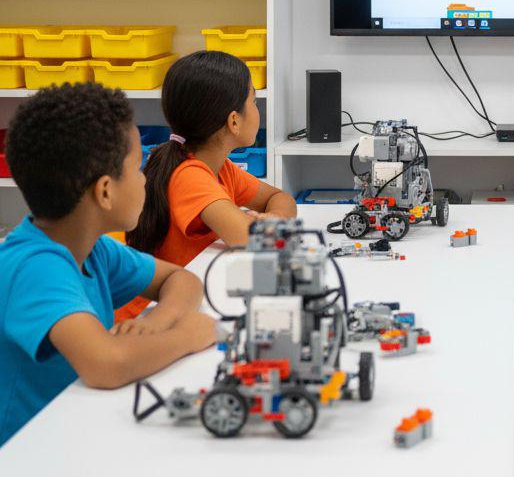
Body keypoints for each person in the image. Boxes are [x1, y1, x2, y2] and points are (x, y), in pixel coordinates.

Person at [0, 84, 215, 447]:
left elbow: (180, 279)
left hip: (75, 430)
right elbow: (107, 364)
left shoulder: (92, 249)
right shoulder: (35, 268)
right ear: (105, 191)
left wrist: (157, 321)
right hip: (29, 453)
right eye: (137, 167)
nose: (144, 178)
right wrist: (187, 336)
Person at [119, 51, 295, 320]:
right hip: (145, 317)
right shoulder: (189, 175)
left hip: (185, 295)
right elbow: (248, 238)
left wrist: (276, 217)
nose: (257, 109)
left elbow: (280, 197)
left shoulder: (220, 167)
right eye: (253, 101)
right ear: (234, 121)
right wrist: (265, 226)